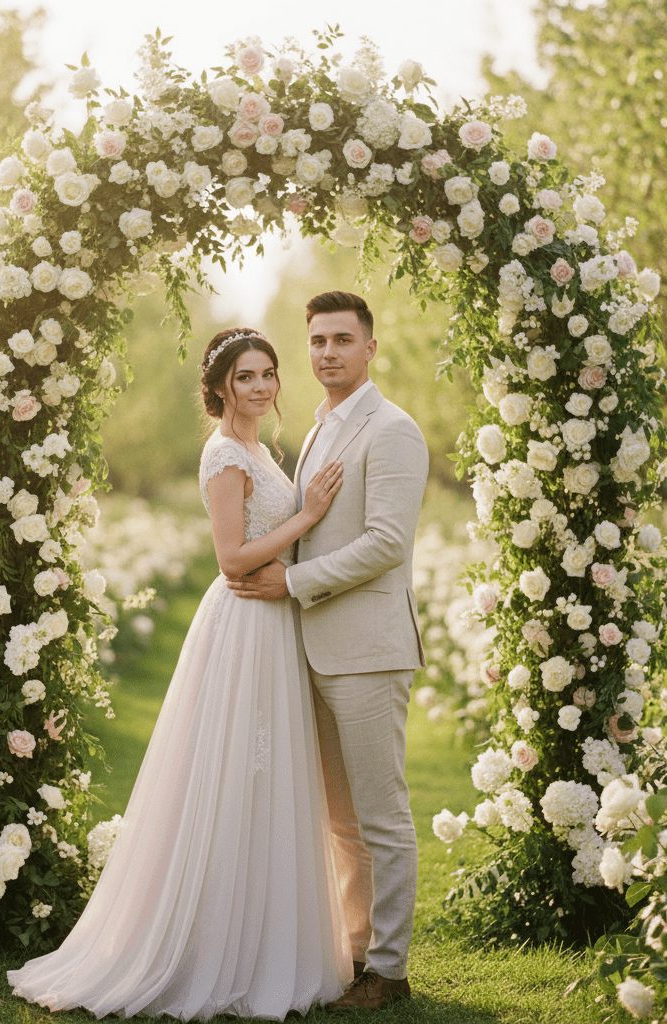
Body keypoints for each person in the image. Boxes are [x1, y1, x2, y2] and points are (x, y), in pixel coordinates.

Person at [7, 328, 353, 1019]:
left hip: (273, 620)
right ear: (222, 386)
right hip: (245, 621)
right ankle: (209, 947)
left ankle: (264, 943)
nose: (260, 387)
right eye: (246, 377)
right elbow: (231, 557)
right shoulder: (226, 454)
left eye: (268, 374)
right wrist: (308, 515)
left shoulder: (261, 449)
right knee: (233, 773)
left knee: (273, 775)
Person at [227, 291, 429, 1011]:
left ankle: (392, 969)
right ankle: (353, 950)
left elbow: (386, 543)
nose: (327, 353)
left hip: (368, 650)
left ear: (370, 348)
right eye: (316, 341)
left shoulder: (392, 430)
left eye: (342, 339)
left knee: (381, 815)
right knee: (339, 820)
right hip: (311, 649)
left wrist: (294, 583)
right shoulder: (316, 429)